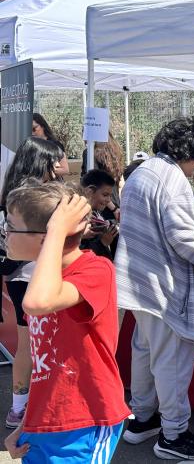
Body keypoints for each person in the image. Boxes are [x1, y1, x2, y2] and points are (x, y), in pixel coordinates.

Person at [115, 117, 194, 460]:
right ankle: (173, 435)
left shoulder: (142, 171)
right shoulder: (172, 179)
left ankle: (143, 419)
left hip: (138, 282)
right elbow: (184, 238)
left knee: (144, 351)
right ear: (190, 152)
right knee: (171, 362)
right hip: (164, 288)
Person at [3, 182, 130, 462]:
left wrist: (57, 230)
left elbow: (37, 304)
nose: (5, 234)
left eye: (11, 226)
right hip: (45, 420)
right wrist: (27, 426)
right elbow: (46, 367)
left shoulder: (96, 270)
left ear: (46, 237)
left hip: (84, 422)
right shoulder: (41, 280)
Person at [0, 137, 63, 429]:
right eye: (54, 160)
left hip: (16, 276)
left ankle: (18, 407)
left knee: (28, 342)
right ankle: (31, 405)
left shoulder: (12, 189)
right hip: (32, 274)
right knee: (41, 342)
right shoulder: (32, 195)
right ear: (43, 161)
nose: (59, 166)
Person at [81, 169, 119, 261]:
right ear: (90, 192)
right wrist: (103, 242)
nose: (108, 200)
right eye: (105, 195)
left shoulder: (96, 214)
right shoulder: (81, 219)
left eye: (110, 196)